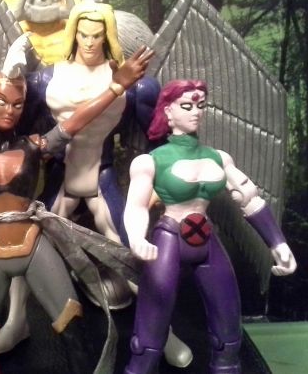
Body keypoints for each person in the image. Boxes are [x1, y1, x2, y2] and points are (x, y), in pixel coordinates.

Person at [0, 39, 153, 374]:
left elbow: (76, 122)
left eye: (17, 104)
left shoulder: (35, 146)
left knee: (74, 334)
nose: (9, 109)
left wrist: (117, 86)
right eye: (1, 100)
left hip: (34, 245)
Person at [123, 79, 297, 374]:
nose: (195, 112)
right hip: (169, 239)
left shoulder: (218, 157)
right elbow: (137, 205)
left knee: (228, 321)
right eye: (186, 106)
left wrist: (277, 243)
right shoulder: (150, 161)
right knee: (152, 325)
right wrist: (137, 237)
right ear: (167, 111)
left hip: (207, 240)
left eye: (200, 105)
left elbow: (249, 199)